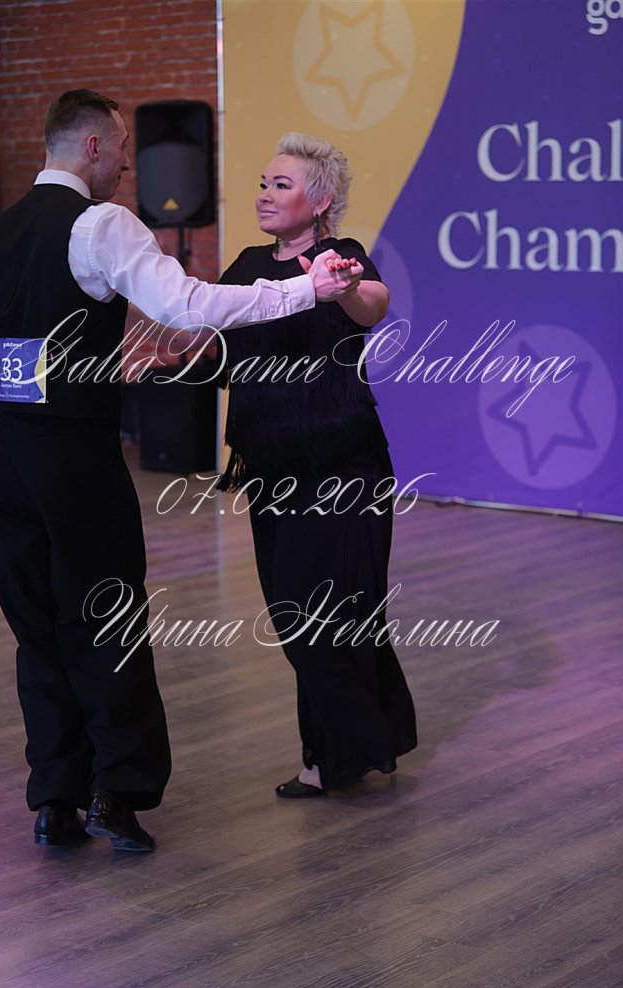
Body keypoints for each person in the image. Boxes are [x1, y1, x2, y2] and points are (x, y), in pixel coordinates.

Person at [0, 91, 362, 851]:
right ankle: (117, 791)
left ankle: (55, 797)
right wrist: (304, 289)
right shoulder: (102, 224)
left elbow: (15, 337)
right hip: (69, 453)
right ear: (92, 147)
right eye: (120, 148)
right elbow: (186, 304)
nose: (126, 164)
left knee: (36, 624)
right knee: (105, 614)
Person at [218, 132, 417, 797]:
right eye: (263, 183)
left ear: (321, 200)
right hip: (269, 466)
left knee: (327, 613)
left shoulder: (342, 258)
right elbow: (213, 328)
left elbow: (372, 304)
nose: (264, 195)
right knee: (295, 613)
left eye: (282, 185)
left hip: (342, 468)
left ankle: (336, 757)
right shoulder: (247, 265)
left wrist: (342, 289)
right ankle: (370, 737)